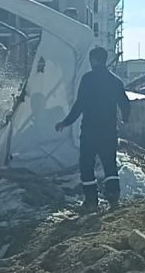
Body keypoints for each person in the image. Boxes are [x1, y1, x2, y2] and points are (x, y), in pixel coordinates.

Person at [55, 46, 131, 212]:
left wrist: (66, 122)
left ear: (94, 60)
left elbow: (80, 104)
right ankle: (113, 199)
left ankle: (91, 201)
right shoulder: (116, 81)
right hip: (109, 130)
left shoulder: (88, 79)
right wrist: (125, 119)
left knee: (86, 165)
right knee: (109, 164)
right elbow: (125, 103)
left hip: (90, 130)